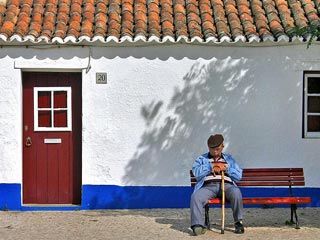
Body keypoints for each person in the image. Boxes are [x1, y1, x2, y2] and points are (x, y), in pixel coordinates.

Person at [190, 134, 244, 236]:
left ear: (222, 147)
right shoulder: (202, 159)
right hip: (208, 187)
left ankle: (238, 222)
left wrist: (226, 168)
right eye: (212, 149)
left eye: (217, 149)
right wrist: (211, 167)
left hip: (226, 185)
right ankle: (197, 225)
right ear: (208, 148)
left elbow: (238, 175)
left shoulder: (229, 159)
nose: (215, 151)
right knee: (196, 196)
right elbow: (196, 173)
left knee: (236, 192)